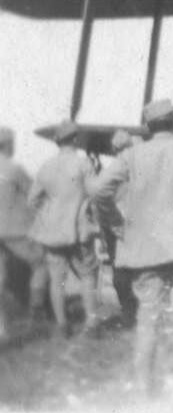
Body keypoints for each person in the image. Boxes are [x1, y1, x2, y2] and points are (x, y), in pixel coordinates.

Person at [90, 99, 173, 394]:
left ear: (148, 126)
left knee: (147, 319)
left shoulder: (131, 155)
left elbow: (100, 190)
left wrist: (116, 223)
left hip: (144, 249)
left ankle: (143, 390)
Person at [28, 120, 100, 339]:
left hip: (52, 234)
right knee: (88, 276)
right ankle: (91, 322)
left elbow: (32, 200)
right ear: (76, 140)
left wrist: (49, 214)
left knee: (56, 280)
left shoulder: (46, 166)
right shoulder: (83, 164)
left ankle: (61, 326)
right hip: (78, 231)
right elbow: (96, 193)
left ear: (57, 141)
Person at [0, 126, 48, 338]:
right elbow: (34, 194)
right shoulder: (13, 168)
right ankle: (37, 310)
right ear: (9, 145)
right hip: (14, 229)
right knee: (41, 263)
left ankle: (2, 327)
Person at [94, 129, 139, 327]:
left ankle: (129, 316)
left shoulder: (112, 169)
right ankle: (140, 316)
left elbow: (99, 196)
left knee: (120, 272)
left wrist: (111, 222)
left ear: (114, 149)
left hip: (117, 228)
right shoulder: (139, 167)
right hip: (139, 225)